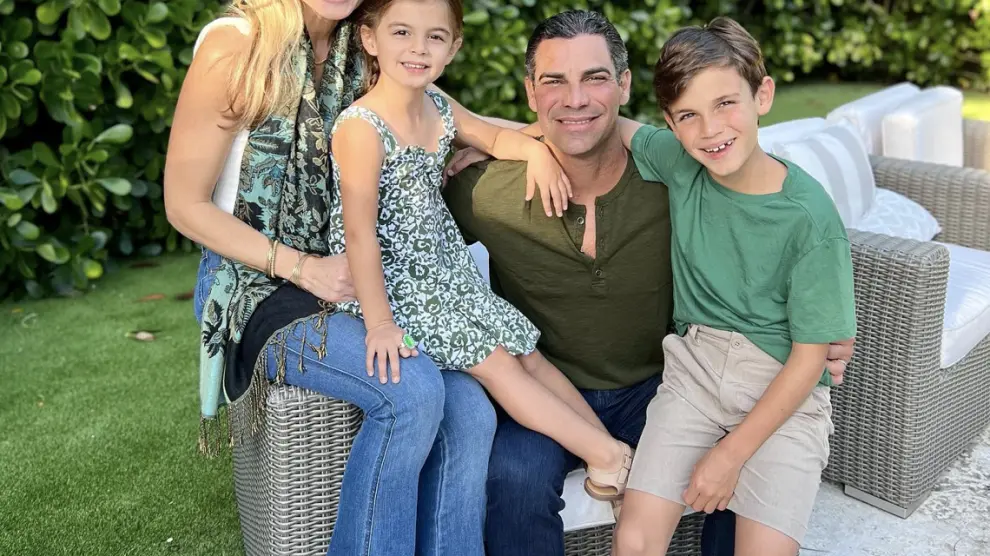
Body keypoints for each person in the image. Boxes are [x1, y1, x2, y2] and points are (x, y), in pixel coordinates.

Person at [440, 10, 854, 556]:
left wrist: (814, 338)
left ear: (624, 85)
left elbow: (763, 216)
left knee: (739, 478)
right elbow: (409, 141)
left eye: (594, 78)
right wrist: (511, 140)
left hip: (659, 384)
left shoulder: (679, 173)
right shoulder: (483, 189)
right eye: (554, 82)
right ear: (531, 92)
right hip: (548, 389)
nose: (575, 99)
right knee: (512, 477)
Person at [164, 1, 505, 553]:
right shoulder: (237, 44)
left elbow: (467, 123)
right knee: (413, 392)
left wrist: (602, 129)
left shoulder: (365, 44)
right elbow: (184, 206)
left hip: (355, 272)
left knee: (470, 410)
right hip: (257, 282)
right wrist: (302, 267)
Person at [330, 0, 636, 496]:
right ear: (370, 39)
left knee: (527, 351)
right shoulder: (362, 127)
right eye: (402, 33)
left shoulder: (435, 105)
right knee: (497, 363)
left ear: (453, 48)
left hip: (445, 272)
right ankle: (610, 456)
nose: (418, 49)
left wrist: (535, 150)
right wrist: (380, 323)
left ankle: (603, 451)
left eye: (434, 37)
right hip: (397, 284)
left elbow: (493, 135)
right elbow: (359, 234)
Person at [610, 17, 857, 556]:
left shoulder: (809, 218)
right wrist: (515, 141)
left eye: (726, 104)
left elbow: (812, 358)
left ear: (762, 95)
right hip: (695, 373)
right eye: (688, 116)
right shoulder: (681, 163)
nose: (710, 130)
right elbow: (606, 124)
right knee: (634, 538)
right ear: (671, 124)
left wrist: (730, 456)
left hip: (785, 389)